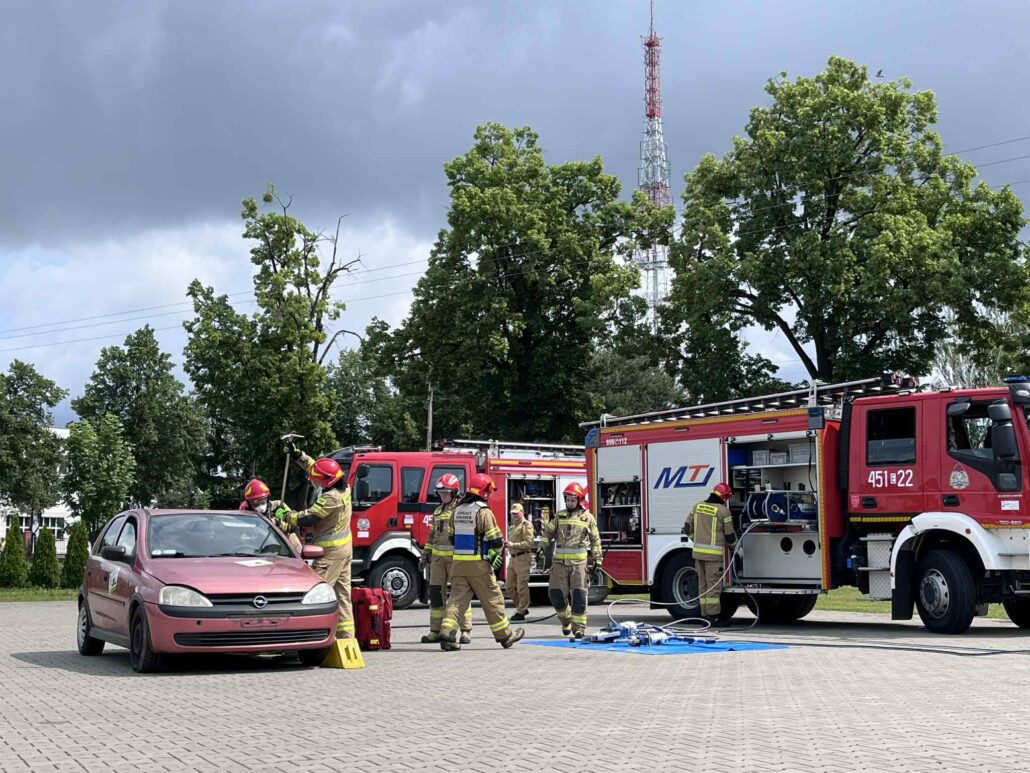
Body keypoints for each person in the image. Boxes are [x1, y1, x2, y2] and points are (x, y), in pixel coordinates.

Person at [275, 442, 355, 639]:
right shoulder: (344, 487)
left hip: (330, 554)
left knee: (315, 593)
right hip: (344, 550)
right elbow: (316, 468)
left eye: (317, 482)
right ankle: (346, 636)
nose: (314, 483)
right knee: (342, 594)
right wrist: (298, 455)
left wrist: (285, 515)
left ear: (326, 482)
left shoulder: (331, 498)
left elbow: (308, 518)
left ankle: (311, 635)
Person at [439, 473, 524, 651]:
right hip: (479, 566)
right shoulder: (483, 511)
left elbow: (452, 538)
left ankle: (447, 635)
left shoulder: (457, 510)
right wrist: (491, 554)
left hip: (459, 565)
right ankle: (505, 636)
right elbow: (496, 540)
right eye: (489, 492)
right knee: (493, 599)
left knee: (456, 601)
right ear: (484, 492)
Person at [543, 482, 601, 639]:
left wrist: (598, 558)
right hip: (559, 564)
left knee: (579, 596)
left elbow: (595, 540)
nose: (569, 503)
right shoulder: (559, 516)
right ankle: (566, 620)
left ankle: (579, 628)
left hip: (579, 565)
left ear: (579, 501)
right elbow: (548, 533)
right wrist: (542, 546)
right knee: (555, 594)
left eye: (572, 500)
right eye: (567, 500)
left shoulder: (588, 518)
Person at [420, 473, 473, 644]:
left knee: (459, 595)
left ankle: (465, 630)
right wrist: (425, 554)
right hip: (437, 561)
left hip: (455, 560)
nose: (443, 496)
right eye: (440, 493)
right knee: (436, 595)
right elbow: (432, 535)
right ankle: (435, 630)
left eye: (446, 492)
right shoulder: (437, 511)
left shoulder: (460, 510)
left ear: (455, 492)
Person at [683, 482, 737, 621]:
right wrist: (738, 549)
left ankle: (705, 616)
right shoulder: (723, 511)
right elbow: (730, 536)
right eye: (727, 497)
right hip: (713, 558)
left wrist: (697, 540)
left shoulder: (697, 506)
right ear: (724, 496)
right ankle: (714, 618)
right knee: (713, 588)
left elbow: (687, 528)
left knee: (702, 586)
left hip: (698, 555)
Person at [239, 478, 302, 552]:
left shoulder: (278, 506)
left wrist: (276, 523)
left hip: (284, 549)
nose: (260, 506)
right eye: (255, 504)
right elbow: (240, 535)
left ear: (268, 498)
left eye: (263, 502)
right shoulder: (246, 513)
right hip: (255, 550)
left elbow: (294, 526)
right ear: (249, 503)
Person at [504, 502, 534, 622]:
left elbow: (528, 543)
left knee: (522, 586)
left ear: (522, 512)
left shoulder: (526, 525)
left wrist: (513, 545)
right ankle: (521, 607)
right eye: (513, 514)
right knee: (509, 587)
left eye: (516, 513)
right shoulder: (513, 526)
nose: (514, 516)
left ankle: (521, 611)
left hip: (523, 558)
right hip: (513, 558)